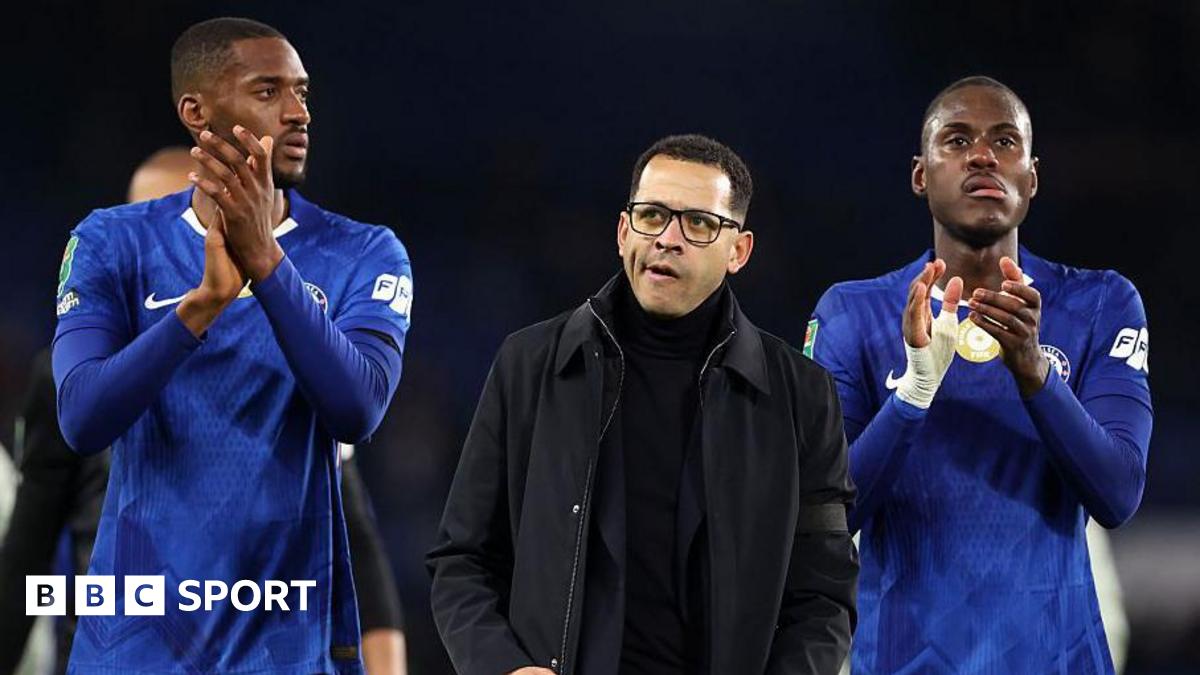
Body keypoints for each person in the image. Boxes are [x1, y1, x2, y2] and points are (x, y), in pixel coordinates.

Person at [51, 17, 413, 673]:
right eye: (268, 91)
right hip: (138, 648)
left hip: (289, 647)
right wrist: (200, 307)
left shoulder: (364, 252)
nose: (300, 112)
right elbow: (80, 416)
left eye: (302, 91)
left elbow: (357, 408)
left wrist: (268, 267)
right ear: (197, 111)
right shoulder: (111, 242)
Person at [429, 134, 857, 675]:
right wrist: (504, 668)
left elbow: (823, 597)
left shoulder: (803, 394)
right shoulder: (530, 364)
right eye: (652, 215)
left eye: (699, 223)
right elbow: (461, 560)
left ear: (739, 251)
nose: (668, 239)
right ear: (623, 230)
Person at [806, 76, 1152, 674]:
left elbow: (1118, 493)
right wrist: (914, 393)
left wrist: (1034, 373)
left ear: (1032, 177)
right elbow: (824, 520)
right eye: (957, 140)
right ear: (921, 176)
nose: (983, 155)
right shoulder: (852, 313)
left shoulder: (1100, 303)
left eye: (1004, 142)